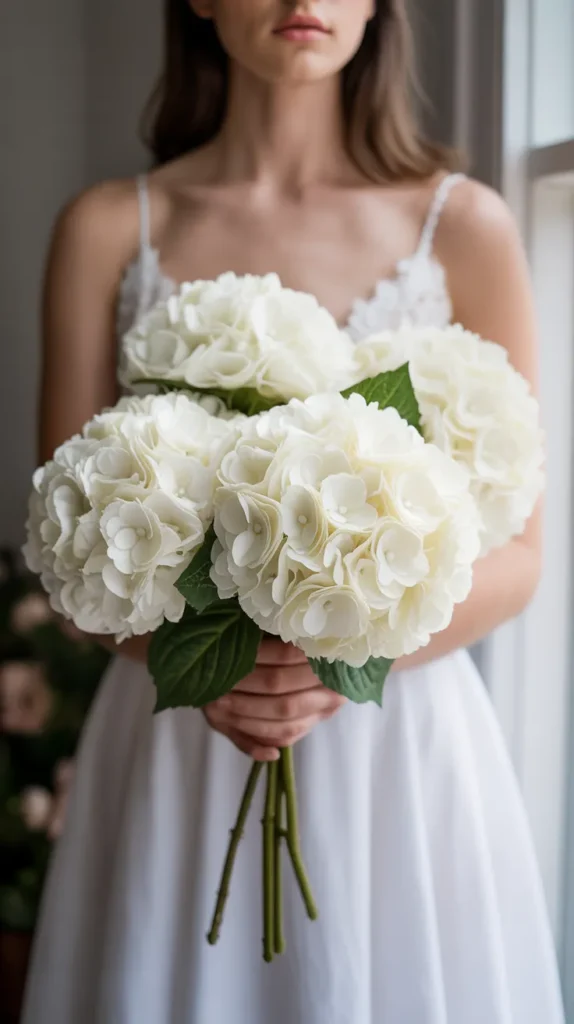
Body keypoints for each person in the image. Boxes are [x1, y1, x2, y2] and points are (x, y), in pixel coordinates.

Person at [22, 2, 565, 1022]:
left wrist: (331, 660)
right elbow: (66, 549)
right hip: (182, 732)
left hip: (400, 742)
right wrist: (210, 669)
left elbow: (524, 553)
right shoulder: (106, 227)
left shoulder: (466, 223)